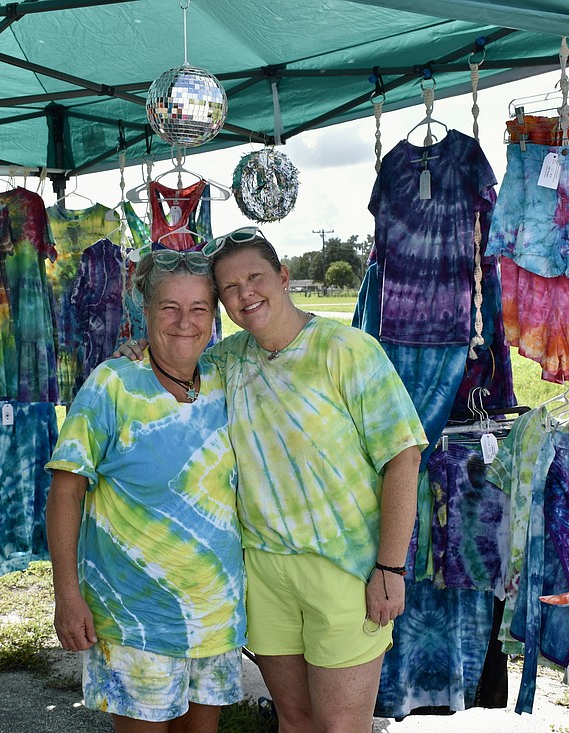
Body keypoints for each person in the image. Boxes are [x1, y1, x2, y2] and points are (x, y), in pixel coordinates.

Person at [121, 227, 426, 731]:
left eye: (255, 277)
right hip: (263, 570)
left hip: (343, 568)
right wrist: (137, 352)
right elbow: (174, 362)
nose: (245, 295)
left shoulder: (348, 350)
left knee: (340, 726)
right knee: (294, 719)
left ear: (283, 277)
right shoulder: (225, 362)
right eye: (229, 289)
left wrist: (390, 568)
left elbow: (403, 458)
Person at [46, 250, 245, 733]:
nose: (184, 322)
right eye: (168, 308)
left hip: (215, 614)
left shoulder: (226, 378)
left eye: (199, 308)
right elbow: (64, 495)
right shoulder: (112, 384)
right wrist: (67, 596)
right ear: (145, 312)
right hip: (135, 618)